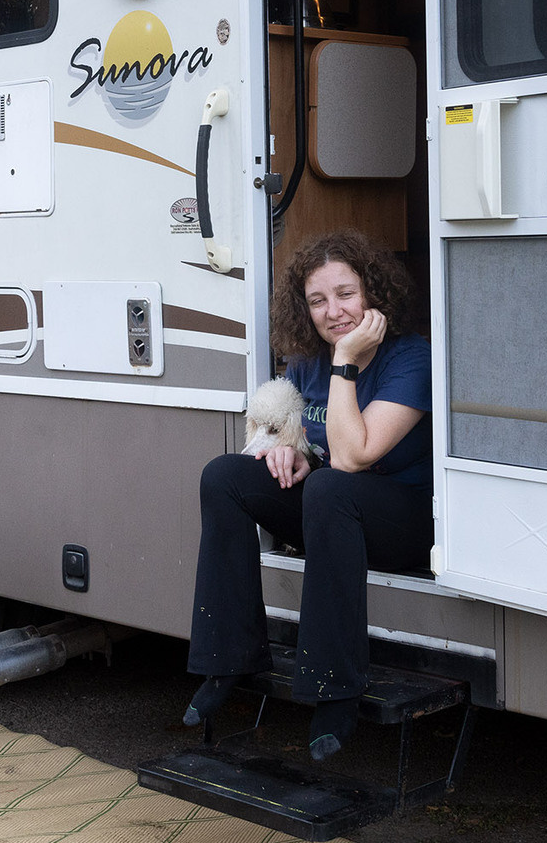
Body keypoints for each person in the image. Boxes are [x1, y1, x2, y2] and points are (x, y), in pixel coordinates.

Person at [185, 231, 433, 760]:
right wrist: (290, 453)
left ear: (374, 294)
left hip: (403, 523)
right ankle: (228, 660)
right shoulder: (306, 361)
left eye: (346, 294)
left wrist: (345, 359)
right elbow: (311, 448)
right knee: (224, 476)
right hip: (335, 508)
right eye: (317, 301)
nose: (333, 312)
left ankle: (334, 690)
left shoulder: (411, 358)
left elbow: (355, 455)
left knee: (329, 484)